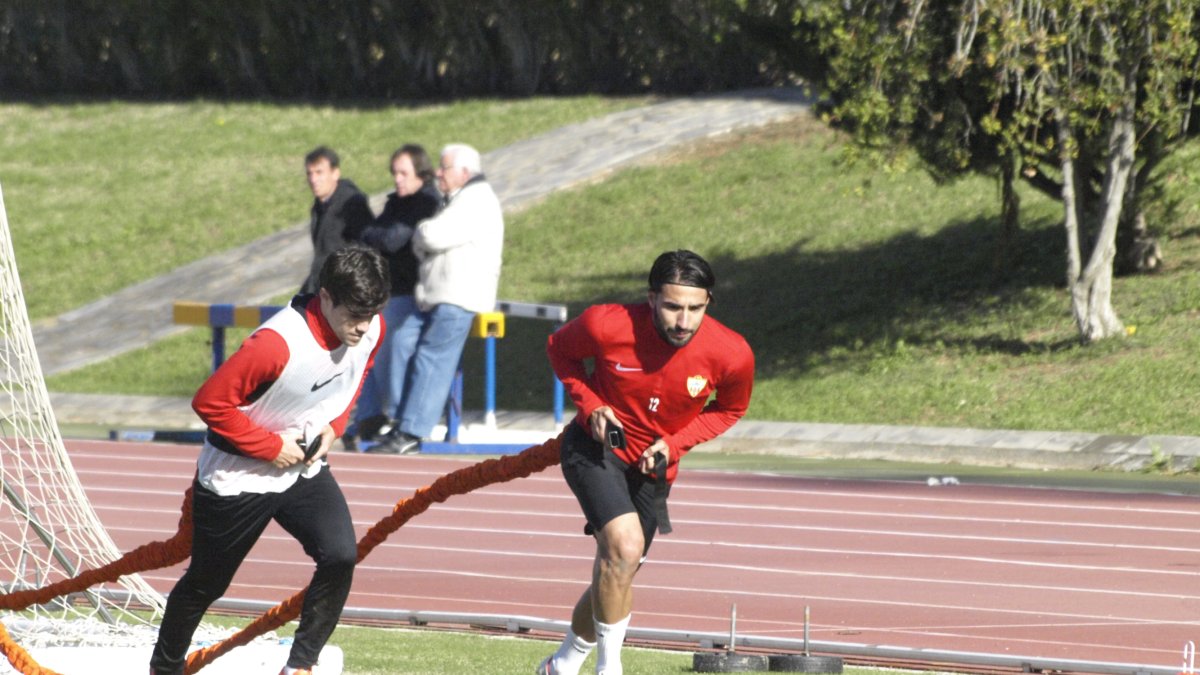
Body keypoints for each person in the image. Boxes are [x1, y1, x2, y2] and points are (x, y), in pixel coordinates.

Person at [149, 247, 389, 675]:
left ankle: (300, 666)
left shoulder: (372, 328)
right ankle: (163, 670)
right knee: (206, 583)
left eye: (371, 315)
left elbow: (358, 373)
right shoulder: (276, 344)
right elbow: (209, 403)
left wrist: (335, 426)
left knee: (340, 555)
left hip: (302, 468)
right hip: (238, 475)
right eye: (355, 315)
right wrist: (270, 448)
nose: (364, 327)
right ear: (326, 297)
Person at [538, 250, 755, 675]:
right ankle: (610, 669)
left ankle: (561, 665)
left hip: (654, 468)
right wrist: (592, 405)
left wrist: (676, 443)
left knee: (619, 569)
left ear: (708, 301)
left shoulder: (732, 352)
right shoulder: (606, 323)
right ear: (652, 298)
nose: (683, 321)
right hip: (594, 449)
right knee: (625, 546)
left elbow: (731, 408)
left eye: (695, 308)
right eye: (673, 306)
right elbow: (559, 351)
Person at [368, 143, 504, 455]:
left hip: (459, 298)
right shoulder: (456, 199)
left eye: (444, 168)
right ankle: (400, 418)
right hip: (435, 297)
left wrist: (423, 232)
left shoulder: (476, 199)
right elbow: (428, 237)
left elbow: (429, 236)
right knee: (401, 340)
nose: (438, 173)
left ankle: (412, 431)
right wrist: (425, 235)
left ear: (465, 172)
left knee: (432, 358)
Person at [343, 144, 443, 451]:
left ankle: (398, 417)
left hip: (412, 293)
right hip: (388, 291)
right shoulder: (395, 202)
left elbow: (392, 238)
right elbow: (372, 236)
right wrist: (378, 237)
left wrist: (377, 236)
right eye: (394, 173)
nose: (397, 180)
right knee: (358, 343)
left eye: (403, 173)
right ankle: (370, 414)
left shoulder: (426, 201)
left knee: (394, 342)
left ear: (421, 173)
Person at [300, 146, 375, 295]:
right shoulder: (319, 206)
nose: (313, 179)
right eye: (309, 173)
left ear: (335, 173)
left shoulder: (351, 203)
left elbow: (366, 247)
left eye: (319, 172)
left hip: (344, 291)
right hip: (325, 287)